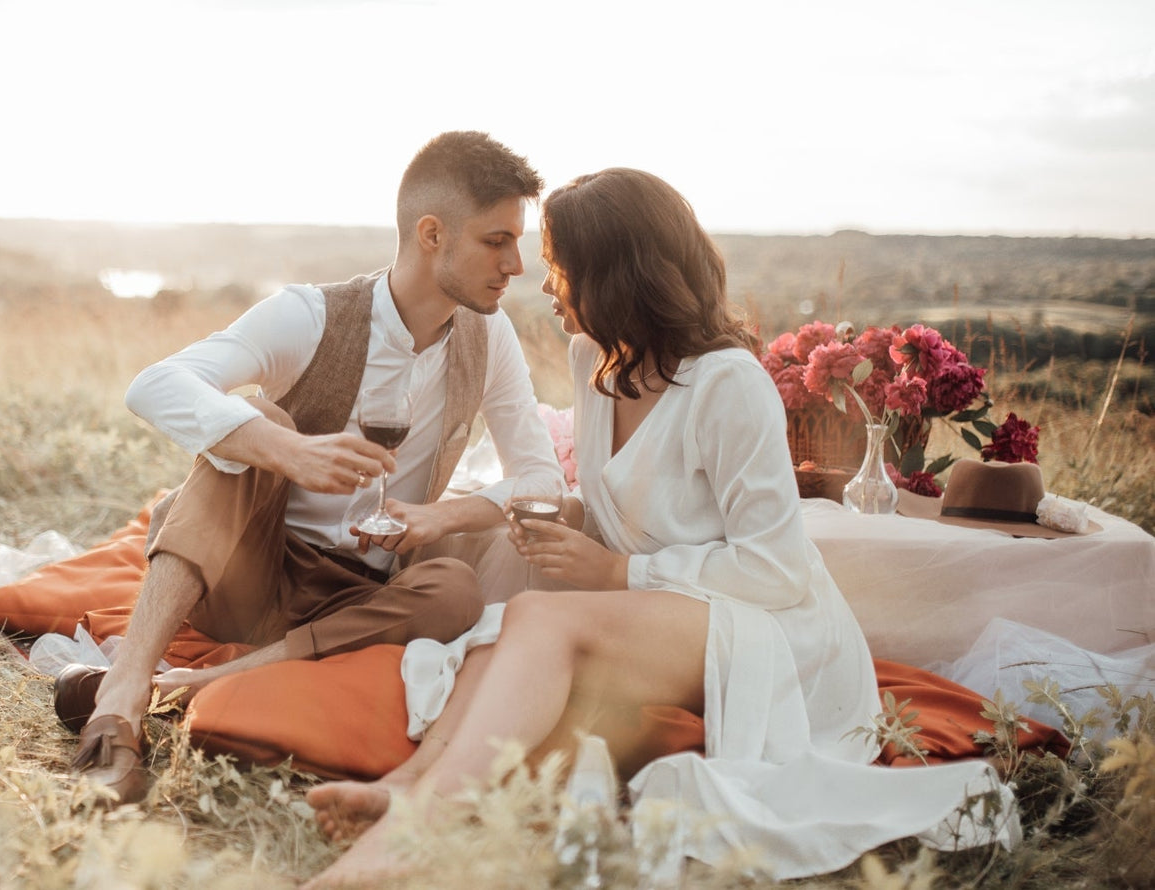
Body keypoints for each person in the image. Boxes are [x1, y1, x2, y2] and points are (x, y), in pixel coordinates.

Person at [302, 169, 1014, 885]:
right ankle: (406, 786)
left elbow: (776, 569)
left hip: (772, 631)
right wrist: (566, 526)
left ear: (615, 277)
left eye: (559, 267)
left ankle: (412, 840)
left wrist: (615, 574)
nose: (543, 284)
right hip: (675, 617)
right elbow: (629, 508)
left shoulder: (728, 383)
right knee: (520, 618)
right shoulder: (592, 362)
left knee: (546, 622)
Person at [57, 131, 570, 805]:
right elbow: (155, 384)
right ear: (432, 233)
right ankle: (123, 695)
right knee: (258, 422)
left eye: (517, 241)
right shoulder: (308, 315)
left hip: (353, 599)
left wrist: (439, 517)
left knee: (455, 589)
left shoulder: (489, 336)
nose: (515, 264)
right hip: (247, 573)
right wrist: (290, 451)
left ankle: (204, 687)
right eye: (496, 241)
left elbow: (541, 481)